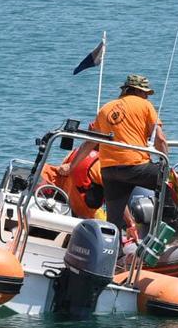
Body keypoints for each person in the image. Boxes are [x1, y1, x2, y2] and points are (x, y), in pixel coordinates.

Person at [62, 74, 170, 236]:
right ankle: (175, 227)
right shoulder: (145, 105)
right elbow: (160, 139)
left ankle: (115, 253)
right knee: (170, 182)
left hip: (109, 170)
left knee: (114, 220)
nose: (147, 96)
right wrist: (164, 163)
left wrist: (71, 165)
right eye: (145, 93)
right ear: (138, 91)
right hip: (135, 166)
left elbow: (90, 142)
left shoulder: (105, 108)